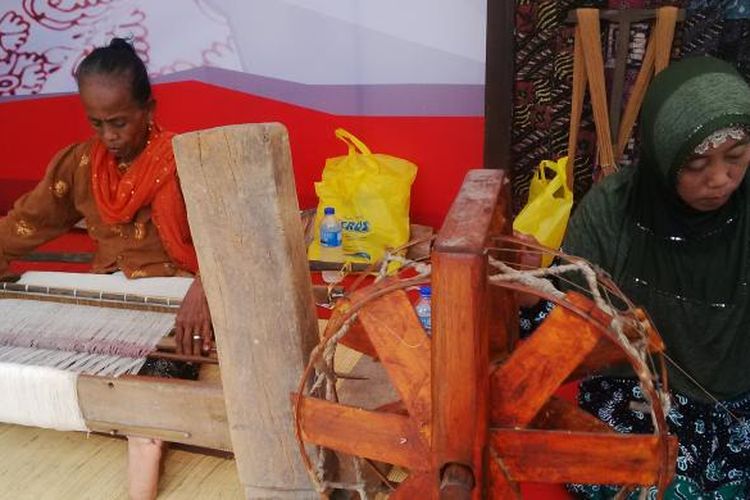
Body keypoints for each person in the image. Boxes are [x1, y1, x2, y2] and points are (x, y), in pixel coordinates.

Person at [520, 56, 750, 499]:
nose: (720, 179)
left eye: (736, 157)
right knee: (658, 486)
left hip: (737, 405)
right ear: (664, 156)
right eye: (697, 164)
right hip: (633, 395)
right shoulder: (613, 212)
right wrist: (532, 294)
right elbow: (566, 320)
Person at [0, 38, 212, 499]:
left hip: (179, 304)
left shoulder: (186, 161)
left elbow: (233, 236)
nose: (109, 135)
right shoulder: (80, 165)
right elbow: (28, 222)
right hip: (113, 303)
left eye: (119, 122)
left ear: (149, 108)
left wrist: (206, 288)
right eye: (96, 122)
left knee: (145, 406)